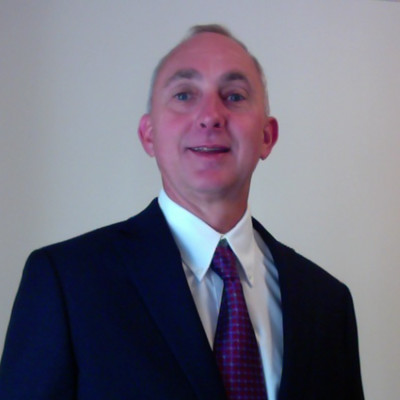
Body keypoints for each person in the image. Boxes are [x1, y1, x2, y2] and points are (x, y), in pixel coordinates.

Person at [0, 24, 364, 400]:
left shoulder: (327, 303)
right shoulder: (67, 283)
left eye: (235, 96)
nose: (210, 116)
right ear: (149, 135)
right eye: (185, 95)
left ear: (267, 136)